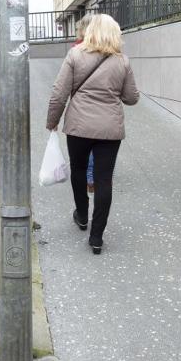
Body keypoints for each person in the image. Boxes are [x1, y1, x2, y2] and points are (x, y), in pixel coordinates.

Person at [46, 14, 140, 255]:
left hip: (78, 127)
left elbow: (59, 92)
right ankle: (96, 237)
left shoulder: (75, 55)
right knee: (104, 179)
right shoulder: (122, 61)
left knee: (78, 170)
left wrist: (52, 121)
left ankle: (82, 216)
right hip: (110, 130)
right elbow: (131, 98)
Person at [73, 14, 97, 194]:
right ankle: (96, 177)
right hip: (106, 113)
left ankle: (89, 177)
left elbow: (63, 86)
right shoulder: (112, 51)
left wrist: (53, 119)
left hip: (81, 109)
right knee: (99, 145)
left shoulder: (76, 51)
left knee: (86, 146)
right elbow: (131, 96)